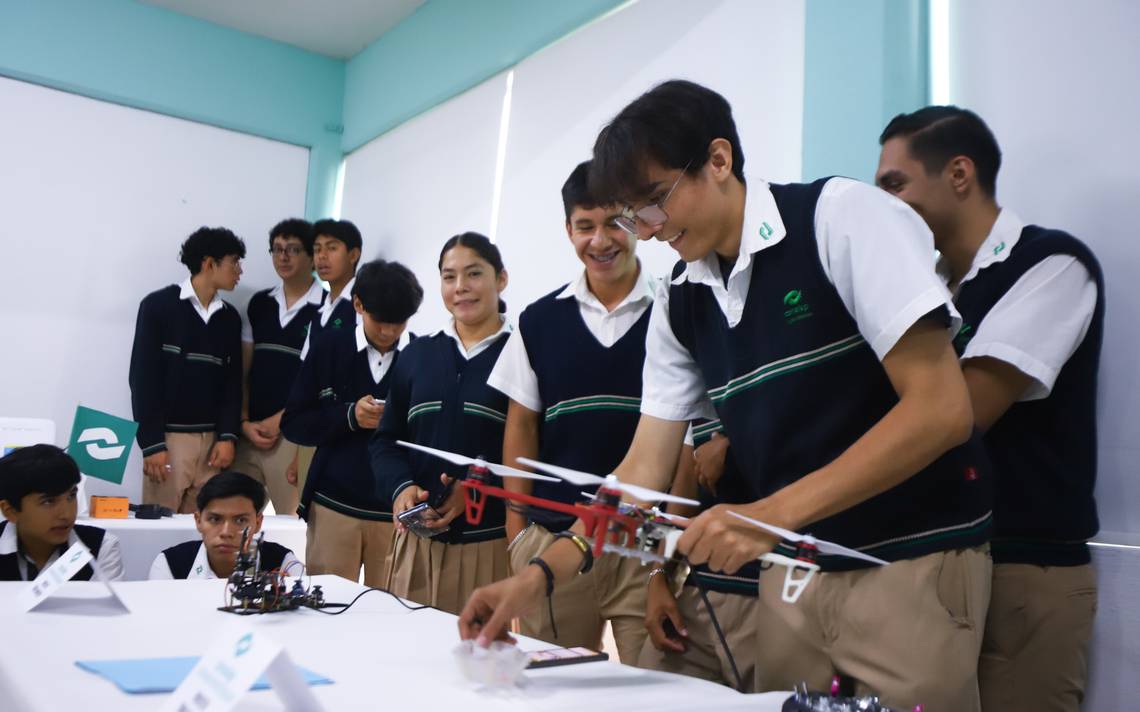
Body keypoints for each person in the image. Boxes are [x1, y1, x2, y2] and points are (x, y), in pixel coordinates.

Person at [461, 80, 994, 712]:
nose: (650, 230)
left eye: (654, 202)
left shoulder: (839, 219)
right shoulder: (682, 300)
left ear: (719, 161)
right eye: (635, 215)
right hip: (792, 579)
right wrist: (538, 575)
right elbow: (641, 472)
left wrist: (768, 515)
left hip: (908, 564)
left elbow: (941, 408)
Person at [877, 106, 1103, 712]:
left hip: (1023, 568)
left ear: (958, 174)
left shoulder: (1053, 264)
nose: (884, 207)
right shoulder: (925, 290)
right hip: (935, 566)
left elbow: (958, 416)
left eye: (895, 185)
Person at [484, 161, 665, 664]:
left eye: (615, 223)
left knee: (654, 686)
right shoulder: (540, 320)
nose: (600, 240)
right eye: (585, 226)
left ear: (638, 223)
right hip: (554, 539)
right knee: (556, 685)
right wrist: (517, 532)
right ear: (569, 230)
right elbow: (520, 423)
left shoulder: (674, 310)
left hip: (644, 545)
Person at [370, 232, 513, 614]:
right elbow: (387, 442)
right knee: (406, 662)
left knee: (476, 663)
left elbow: (532, 454)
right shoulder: (417, 355)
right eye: (449, 277)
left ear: (501, 279)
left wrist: (478, 490)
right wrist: (401, 489)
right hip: (415, 545)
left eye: (474, 274)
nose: (461, 288)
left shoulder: (522, 355)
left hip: (488, 545)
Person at [282, 259, 423, 586]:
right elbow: (294, 422)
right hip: (334, 506)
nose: (389, 332)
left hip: (394, 512)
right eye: (380, 321)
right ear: (358, 304)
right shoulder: (329, 347)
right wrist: (349, 416)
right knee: (325, 607)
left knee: (387, 614)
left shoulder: (419, 355)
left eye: (399, 322)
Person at [129, 226, 245, 513]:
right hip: (169, 440)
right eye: (234, 262)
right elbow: (142, 379)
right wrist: (152, 444)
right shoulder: (158, 306)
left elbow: (232, 384)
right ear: (209, 263)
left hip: (213, 446)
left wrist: (228, 436)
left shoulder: (230, 318)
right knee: (160, 528)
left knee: (204, 530)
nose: (239, 271)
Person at [638, 422, 761, 691]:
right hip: (696, 596)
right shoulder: (693, 397)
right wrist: (658, 578)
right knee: (645, 689)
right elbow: (681, 503)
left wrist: (733, 446)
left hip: (769, 598)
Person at [233, 218, 324, 516]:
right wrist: (244, 420)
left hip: (293, 437)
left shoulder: (327, 308)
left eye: (293, 249)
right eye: (277, 249)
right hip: (249, 435)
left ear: (312, 256)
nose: (283, 257)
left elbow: (322, 382)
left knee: (293, 526)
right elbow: (244, 370)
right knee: (236, 518)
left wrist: (281, 419)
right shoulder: (259, 303)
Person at [0, 445, 123, 581]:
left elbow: (103, 602)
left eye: (71, 496)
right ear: (10, 511)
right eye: (48, 501)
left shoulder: (101, 546)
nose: (66, 514)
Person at [149, 471, 299, 579]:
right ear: (198, 520)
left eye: (240, 521)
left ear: (258, 523)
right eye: (215, 519)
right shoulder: (169, 565)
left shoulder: (283, 563)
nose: (226, 532)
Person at [300, 219, 362, 359]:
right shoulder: (320, 312)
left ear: (353, 255)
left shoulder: (362, 305)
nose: (321, 255)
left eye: (332, 248)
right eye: (317, 249)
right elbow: (306, 367)